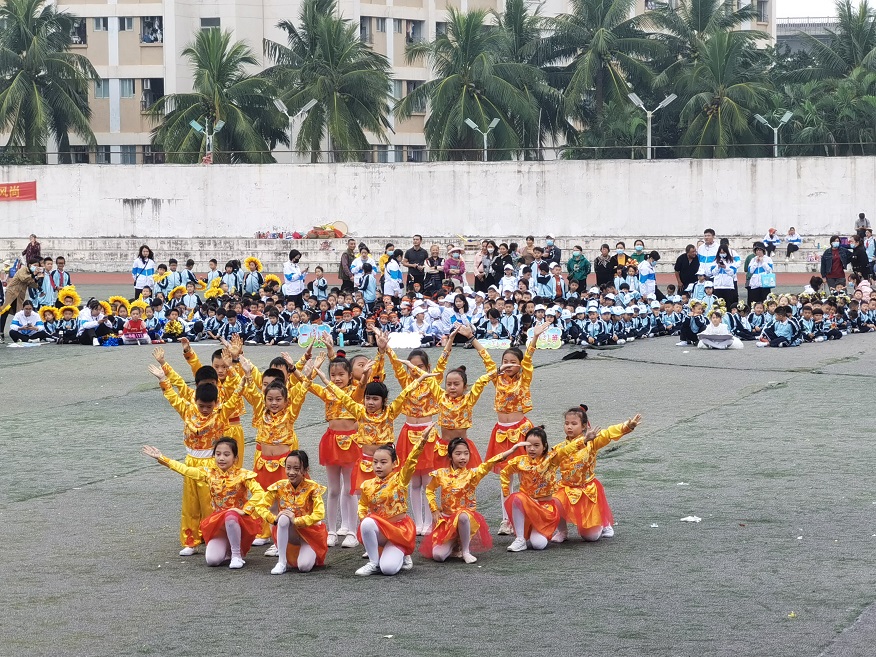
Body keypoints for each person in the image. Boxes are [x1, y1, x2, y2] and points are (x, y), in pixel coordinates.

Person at [148, 361, 246, 554]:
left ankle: (213, 538)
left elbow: (236, 397)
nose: (205, 410)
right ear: (196, 402)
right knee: (190, 503)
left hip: (210, 463)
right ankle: (190, 541)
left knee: (210, 503)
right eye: (201, 406)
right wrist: (162, 379)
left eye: (209, 406)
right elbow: (173, 398)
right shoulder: (188, 410)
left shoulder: (221, 414)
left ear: (216, 403)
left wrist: (244, 381)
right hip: (191, 460)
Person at [141, 438, 269, 569]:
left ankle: (236, 555)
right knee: (212, 561)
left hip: (239, 521)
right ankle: (228, 549)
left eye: (226, 454)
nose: (221, 458)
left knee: (231, 514)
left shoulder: (243, 475)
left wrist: (245, 510)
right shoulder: (209, 474)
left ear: (235, 457)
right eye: (218, 454)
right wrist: (161, 458)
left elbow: (260, 493)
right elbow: (185, 470)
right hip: (219, 524)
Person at [480, 322, 551, 533]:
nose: (508, 365)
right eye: (505, 361)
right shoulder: (497, 379)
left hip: (521, 430)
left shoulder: (524, 379)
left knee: (523, 475)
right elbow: (485, 358)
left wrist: (535, 338)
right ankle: (506, 520)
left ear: (520, 364)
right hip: (501, 432)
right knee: (505, 476)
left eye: (513, 362)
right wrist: (472, 339)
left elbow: (528, 359)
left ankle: (524, 515)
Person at [421, 437, 527, 563]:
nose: (463, 457)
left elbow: (490, 463)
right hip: (447, 520)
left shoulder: (473, 474)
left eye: (466, 454)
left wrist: (512, 449)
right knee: (439, 556)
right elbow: (429, 489)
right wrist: (434, 509)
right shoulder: (440, 474)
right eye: (458, 454)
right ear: (450, 456)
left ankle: (466, 551)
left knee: (462, 516)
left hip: (466, 518)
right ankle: (455, 543)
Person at [384, 339, 450, 535]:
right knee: (413, 482)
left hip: (428, 433)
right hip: (408, 433)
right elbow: (395, 365)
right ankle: (418, 521)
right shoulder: (406, 381)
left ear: (427, 367)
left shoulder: (433, 380)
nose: (415, 370)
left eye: (420, 366)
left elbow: (443, 361)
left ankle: (430, 521)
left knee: (428, 481)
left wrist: (451, 341)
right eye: (411, 366)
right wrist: (386, 347)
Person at [500, 425, 597, 552]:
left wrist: (584, 440)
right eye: (528, 445)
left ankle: (549, 530)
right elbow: (504, 473)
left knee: (538, 545)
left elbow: (567, 449)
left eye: (536, 445)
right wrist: (507, 491)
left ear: (544, 446)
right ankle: (520, 539)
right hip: (528, 507)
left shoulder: (551, 459)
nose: (532, 449)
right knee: (516, 498)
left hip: (545, 510)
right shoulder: (520, 461)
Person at [554, 407, 641, 542]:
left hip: (587, 490)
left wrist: (626, 427)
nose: (569, 427)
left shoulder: (592, 442)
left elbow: (608, 433)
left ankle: (604, 523)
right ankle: (562, 531)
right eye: (566, 423)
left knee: (590, 537)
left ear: (583, 426)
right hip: (566, 488)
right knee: (554, 498)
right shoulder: (559, 447)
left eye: (574, 424)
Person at [356, 435, 430, 576]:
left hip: (399, 531)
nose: (378, 466)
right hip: (381, 532)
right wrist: (364, 517)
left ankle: (402, 553)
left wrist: (422, 441)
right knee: (367, 522)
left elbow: (411, 461)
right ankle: (373, 562)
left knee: (388, 570)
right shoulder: (367, 485)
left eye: (383, 462)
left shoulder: (400, 480)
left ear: (394, 463)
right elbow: (362, 506)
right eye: (375, 462)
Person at [261, 450, 328, 574]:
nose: (291, 472)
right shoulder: (279, 486)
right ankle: (281, 562)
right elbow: (260, 506)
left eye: (296, 468)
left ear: (305, 470)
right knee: (283, 517)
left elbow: (319, 513)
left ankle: (306, 553)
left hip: (309, 535)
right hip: (288, 533)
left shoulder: (313, 488)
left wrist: (296, 520)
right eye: (288, 468)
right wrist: (273, 519)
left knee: (304, 567)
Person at [1, 260, 44, 340]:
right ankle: (1, 333)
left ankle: (20, 333)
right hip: (11, 293)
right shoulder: (23, 269)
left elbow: (31, 283)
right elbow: (23, 278)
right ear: (29, 265)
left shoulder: (31, 274)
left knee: (19, 313)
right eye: (34, 265)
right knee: (5, 312)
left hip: (19, 296)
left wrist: (38, 279)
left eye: (37, 266)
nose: (36, 268)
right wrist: (34, 275)